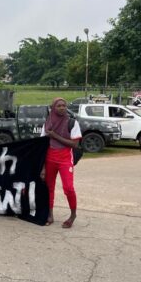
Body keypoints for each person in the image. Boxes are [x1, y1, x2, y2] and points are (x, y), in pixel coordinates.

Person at [40, 97, 81, 228]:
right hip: (49, 158)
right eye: (59, 106)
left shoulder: (72, 123)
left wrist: (55, 136)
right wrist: (43, 167)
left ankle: (73, 214)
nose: (62, 107)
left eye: (64, 105)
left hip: (65, 158)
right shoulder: (46, 124)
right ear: (53, 108)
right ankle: (50, 214)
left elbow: (75, 144)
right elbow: (42, 146)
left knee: (68, 188)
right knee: (49, 188)